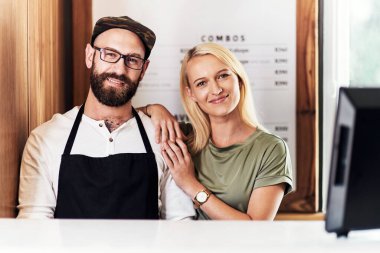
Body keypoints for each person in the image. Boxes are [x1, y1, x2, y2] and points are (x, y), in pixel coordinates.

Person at [17, 16, 195, 220]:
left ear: (143, 70)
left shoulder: (163, 138)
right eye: (110, 54)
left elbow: (180, 223)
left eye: (133, 60)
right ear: (89, 56)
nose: (120, 69)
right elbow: (34, 226)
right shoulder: (45, 139)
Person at [145, 42, 293, 220]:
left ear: (238, 79)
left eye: (223, 76)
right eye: (201, 83)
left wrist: (191, 184)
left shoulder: (271, 149)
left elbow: (255, 228)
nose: (216, 89)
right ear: (191, 93)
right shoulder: (182, 136)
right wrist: (154, 109)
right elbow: (118, 115)